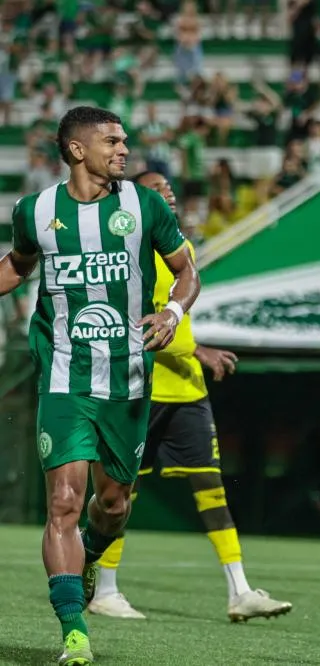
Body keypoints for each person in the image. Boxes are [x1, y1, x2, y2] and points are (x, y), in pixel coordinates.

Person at [0, 106, 200, 665]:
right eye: (112, 140)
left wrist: (173, 314)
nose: (124, 149)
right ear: (76, 150)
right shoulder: (36, 211)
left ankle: (92, 554)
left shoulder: (144, 205)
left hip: (129, 380)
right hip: (64, 377)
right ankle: (73, 632)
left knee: (111, 506)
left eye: (124, 140)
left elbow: (188, 271)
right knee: (63, 501)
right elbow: (18, 264)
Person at [87, 170, 293, 623]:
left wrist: (193, 351)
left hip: (187, 392)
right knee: (121, 492)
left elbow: (173, 319)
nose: (169, 194)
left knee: (212, 487)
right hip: (139, 387)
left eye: (170, 188)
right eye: (157, 190)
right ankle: (103, 588)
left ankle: (240, 590)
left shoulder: (182, 251)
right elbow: (140, 324)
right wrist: (199, 350)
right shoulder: (129, 253)